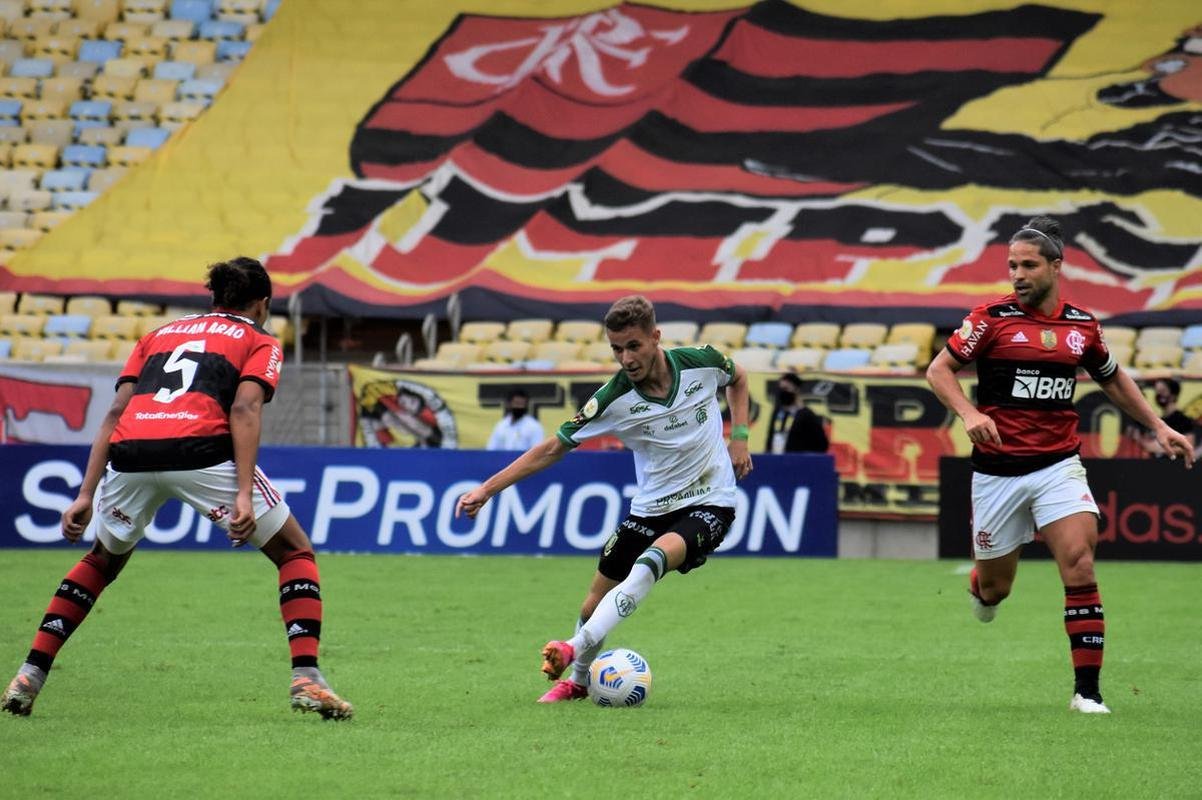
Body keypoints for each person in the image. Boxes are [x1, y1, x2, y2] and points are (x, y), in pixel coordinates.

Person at [1, 257, 353, 721]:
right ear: (262, 304)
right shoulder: (258, 338)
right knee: (294, 553)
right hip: (199, 451)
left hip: (130, 453)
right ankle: (306, 677)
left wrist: (86, 494)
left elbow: (114, 413)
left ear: (215, 297)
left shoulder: (157, 335)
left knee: (101, 562)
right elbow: (245, 408)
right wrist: (243, 495)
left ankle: (29, 674)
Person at [925, 216, 1193, 715]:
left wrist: (1159, 426)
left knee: (1080, 562)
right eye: (1012, 265)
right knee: (996, 589)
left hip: (1058, 466)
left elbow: (1112, 379)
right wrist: (970, 411)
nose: (1018, 274)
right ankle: (980, 587)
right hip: (997, 473)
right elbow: (938, 370)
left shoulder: (1081, 326)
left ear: (1055, 266)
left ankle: (1086, 693)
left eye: (1028, 265)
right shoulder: (990, 319)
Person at [456, 295, 753, 702]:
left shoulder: (701, 362)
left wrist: (739, 439)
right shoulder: (612, 399)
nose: (625, 358)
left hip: (710, 499)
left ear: (655, 337)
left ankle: (572, 648)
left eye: (634, 346)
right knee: (592, 602)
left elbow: (738, 378)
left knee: (651, 562)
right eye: (616, 348)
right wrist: (487, 489)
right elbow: (551, 448)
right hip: (651, 507)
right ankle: (578, 682)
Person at [1128, 377, 1197, 457]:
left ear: (1173, 394)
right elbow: (1150, 446)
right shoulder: (1158, 421)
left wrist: (1161, 449)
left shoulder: (1183, 420)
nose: (1159, 395)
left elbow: (1188, 447)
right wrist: (1139, 439)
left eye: (1162, 391)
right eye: (1157, 391)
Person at [765, 372, 829, 454]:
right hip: (776, 461)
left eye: (786, 389)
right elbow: (770, 438)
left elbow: (822, 444)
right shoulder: (777, 413)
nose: (782, 392)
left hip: (796, 462)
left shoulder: (807, 415)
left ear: (796, 389)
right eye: (780, 389)